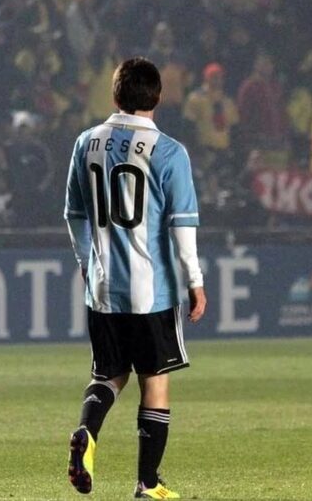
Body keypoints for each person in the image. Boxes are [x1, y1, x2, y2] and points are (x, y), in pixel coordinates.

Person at [64, 57, 206, 500]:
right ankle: (148, 483)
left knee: (108, 374)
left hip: (102, 288)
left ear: (114, 96)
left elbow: (73, 214)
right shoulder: (169, 152)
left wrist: (86, 261)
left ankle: (87, 431)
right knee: (155, 379)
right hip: (151, 291)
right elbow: (183, 226)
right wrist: (195, 282)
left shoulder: (86, 142)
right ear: (158, 98)